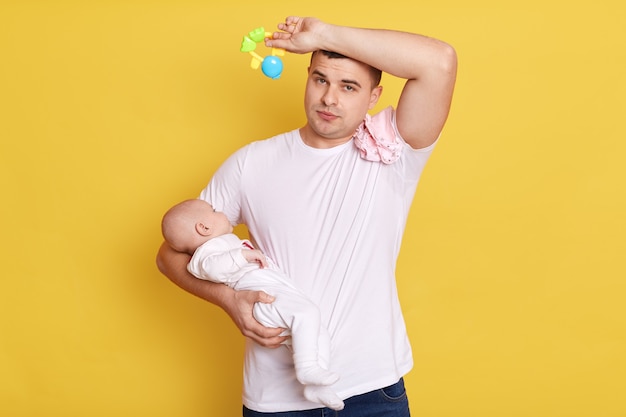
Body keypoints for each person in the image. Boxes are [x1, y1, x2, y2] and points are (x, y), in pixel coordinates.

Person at [157, 15, 457, 416]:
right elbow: (169, 254)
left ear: (374, 96)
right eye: (320, 80)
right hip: (275, 398)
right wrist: (230, 300)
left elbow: (439, 61)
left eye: (348, 86)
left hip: (371, 391)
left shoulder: (392, 150)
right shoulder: (251, 163)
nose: (329, 98)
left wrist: (323, 35)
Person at [161, 198, 344, 410]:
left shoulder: (222, 243)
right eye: (214, 210)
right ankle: (307, 368)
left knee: (315, 332)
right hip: (262, 299)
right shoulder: (205, 253)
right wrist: (244, 254)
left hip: (272, 294)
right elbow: (213, 268)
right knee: (307, 314)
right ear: (204, 228)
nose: (220, 211)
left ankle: (315, 387)